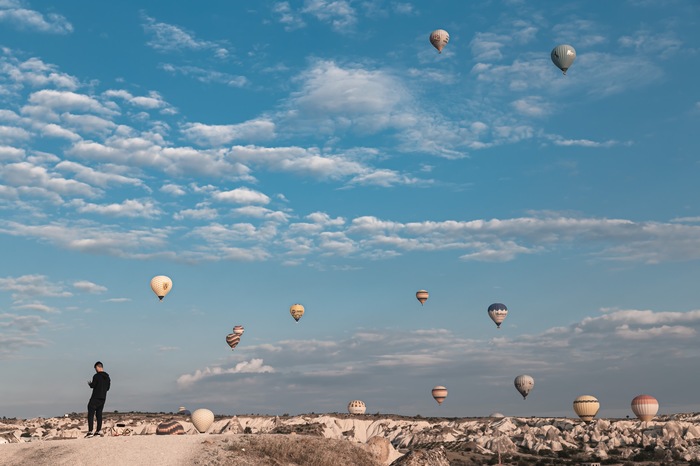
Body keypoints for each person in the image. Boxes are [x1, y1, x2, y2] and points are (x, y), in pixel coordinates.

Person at [86, 361, 111, 438]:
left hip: (95, 397)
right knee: (99, 414)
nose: (95, 370)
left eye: (95, 368)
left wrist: (90, 384)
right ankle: (98, 431)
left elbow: (93, 385)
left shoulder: (96, 376)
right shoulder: (107, 377)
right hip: (103, 397)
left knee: (91, 412)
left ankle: (90, 431)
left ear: (97, 367)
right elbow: (108, 388)